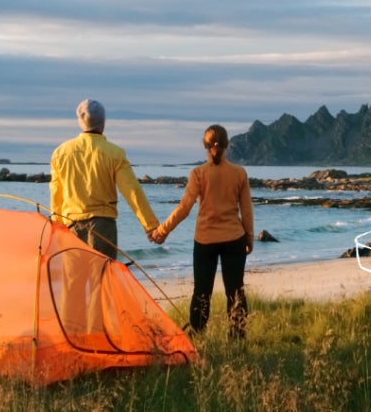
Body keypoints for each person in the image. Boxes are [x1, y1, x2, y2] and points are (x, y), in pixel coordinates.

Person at [151, 124, 254, 339]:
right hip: (234, 239)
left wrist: (163, 230)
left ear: (205, 146)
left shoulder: (198, 173)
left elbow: (184, 207)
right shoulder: (239, 173)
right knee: (235, 291)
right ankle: (237, 338)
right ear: (227, 145)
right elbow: (246, 210)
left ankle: (197, 337)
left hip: (205, 241)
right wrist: (250, 238)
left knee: (201, 293)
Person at [49, 98, 160, 259]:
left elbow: (56, 194)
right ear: (103, 124)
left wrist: (56, 227)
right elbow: (132, 191)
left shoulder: (60, 153)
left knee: (73, 281)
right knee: (102, 279)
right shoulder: (115, 154)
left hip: (70, 225)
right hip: (103, 228)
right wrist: (150, 226)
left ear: (81, 123)